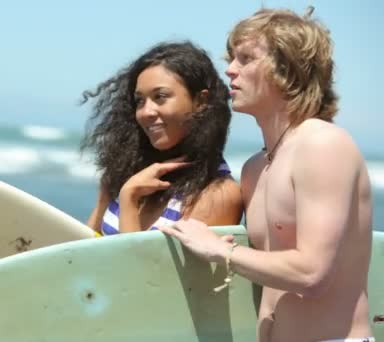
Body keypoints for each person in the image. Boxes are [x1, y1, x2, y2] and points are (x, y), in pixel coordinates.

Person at [159, 7, 374, 342]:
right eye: (232, 58)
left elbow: (313, 273)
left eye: (246, 58)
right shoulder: (255, 168)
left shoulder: (323, 145)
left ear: (286, 69)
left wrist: (223, 252)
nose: (230, 70)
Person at [81, 41, 243, 236]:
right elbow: (85, 243)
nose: (146, 111)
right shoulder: (124, 169)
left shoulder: (218, 194)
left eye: (160, 96)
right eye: (140, 100)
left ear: (200, 101)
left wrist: (130, 200)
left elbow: (141, 267)